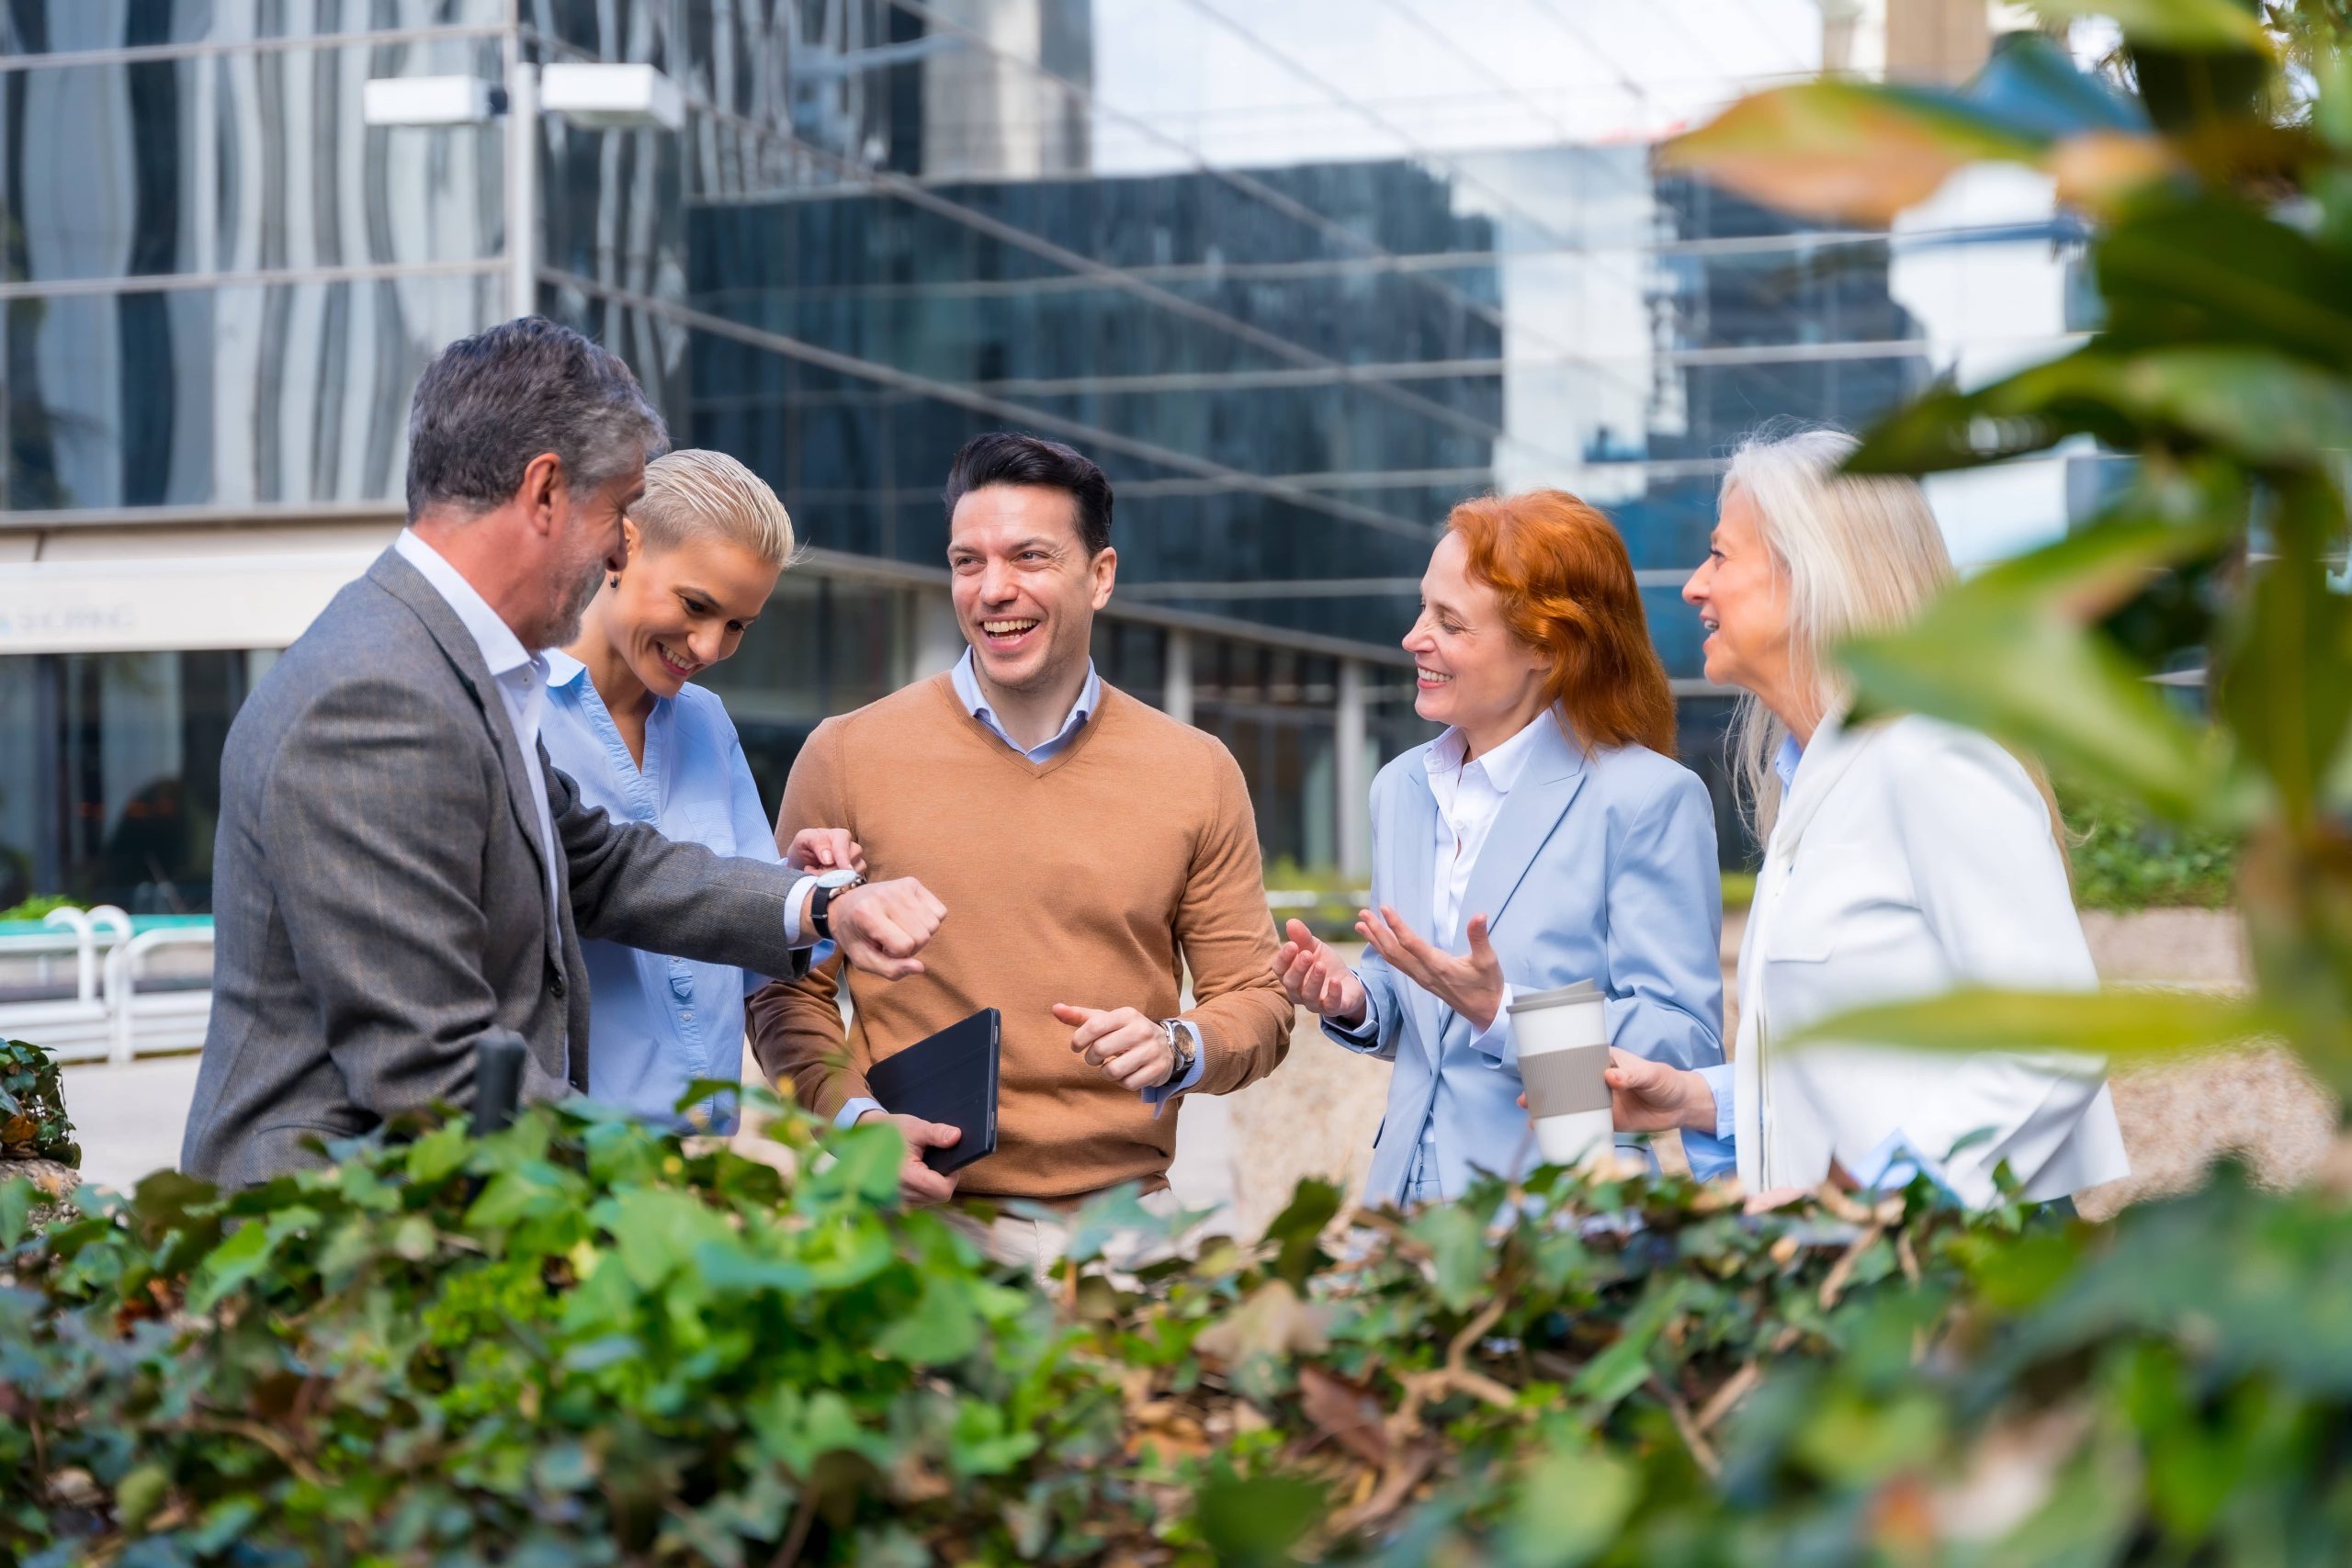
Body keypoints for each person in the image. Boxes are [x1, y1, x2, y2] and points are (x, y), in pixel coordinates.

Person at [181, 319, 944, 1186]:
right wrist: (650, 1200)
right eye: (619, 513)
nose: (622, 546)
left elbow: (604, 866)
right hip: (338, 1248)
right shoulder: (379, 697)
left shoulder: (449, 671)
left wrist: (821, 907)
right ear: (546, 492)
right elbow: (430, 1068)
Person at [746, 433, 1293, 1233]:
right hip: (918, 1229)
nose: (992, 589)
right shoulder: (846, 753)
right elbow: (785, 991)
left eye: (1029, 557)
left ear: (1099, 576)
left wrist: (1179, 1045)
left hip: (1126, 1231)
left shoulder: (1196, 770)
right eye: (968, 562)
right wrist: (857, 1125)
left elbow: (1258, 1001)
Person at [1603, 426, 2129, 1209]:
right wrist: (1696, 1098)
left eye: (1720, 555)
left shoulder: (1934, 757)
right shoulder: (1814, 781)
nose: (1694, 587)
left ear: (1810, 572)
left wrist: (1879, 1198)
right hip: (1872, 1265)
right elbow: (1859, 1069)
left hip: (1955, 1270)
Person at [1272, 490, 1724, 1208]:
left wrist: (1506, 1013)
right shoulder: (1400, 788)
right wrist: (1355, 998)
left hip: (1555, 1222)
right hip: (1399, 1210)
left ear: (1547, 648)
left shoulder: (1645, 798)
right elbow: (1423, 1008)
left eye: (1451, 622)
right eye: (1424, 608)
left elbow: (1685, 1047)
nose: (1415, 637)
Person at [542, 448, 854, 1129]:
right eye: (696, 605)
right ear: (619, 549)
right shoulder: (519, 715)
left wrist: (791, 880)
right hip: (567, 1174)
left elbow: (748, 945)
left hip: (700, 1172)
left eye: (738, 624)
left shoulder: (707, 724)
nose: (710, 647)